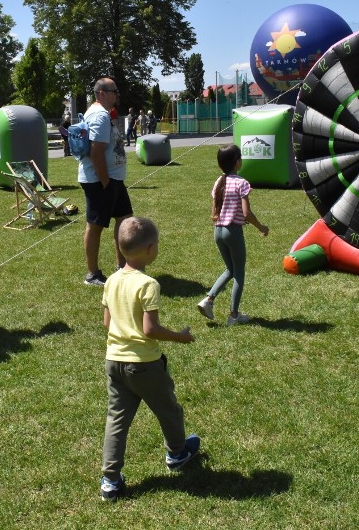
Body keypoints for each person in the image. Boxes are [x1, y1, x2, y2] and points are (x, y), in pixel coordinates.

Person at [99, 216, 200, 501]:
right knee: (168, 409)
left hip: (114, 361)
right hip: (144, 364)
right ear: (150, 249)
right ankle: (178, 453)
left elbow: (107, 323)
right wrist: (181, 336)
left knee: (116, 421)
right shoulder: (148, 284)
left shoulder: (111, 280)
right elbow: (150, 329)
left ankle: (110, 480)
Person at [197, 144, 269, 325]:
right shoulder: (241, 183)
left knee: (230, 269)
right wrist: (261, 227)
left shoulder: (219, 182)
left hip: (218, 231)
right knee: (239, 273)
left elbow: (215, 210)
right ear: (237, 162)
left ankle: (208, 300)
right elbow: (246, 214)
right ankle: (234, 315)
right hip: (232, 231)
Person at [79, 77, 133, 286]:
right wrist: (104, 181)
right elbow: (96, 150)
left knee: (125, 219)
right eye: (114, 91)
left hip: (113, 179)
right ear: (101, 93)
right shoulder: (100, 116)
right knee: (95, 226)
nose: (117, 95)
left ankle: (122, 268)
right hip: (101, 180)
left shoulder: (101, 113)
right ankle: (92, 274)